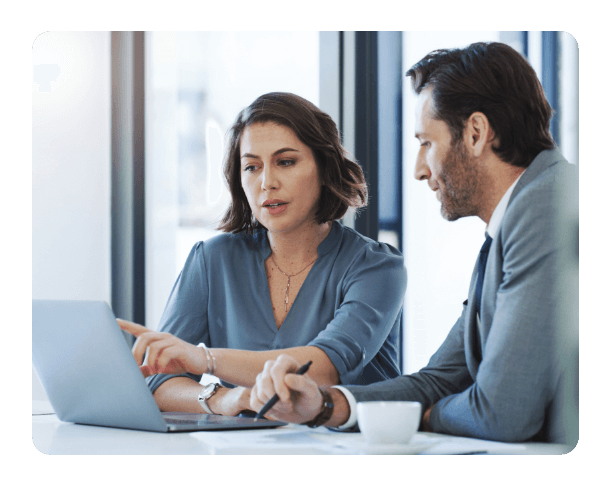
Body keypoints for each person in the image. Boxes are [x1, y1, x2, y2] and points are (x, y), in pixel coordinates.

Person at [249, 42, 577, 443]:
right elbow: (438, 380)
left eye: (427, 143)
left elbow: (501, 413)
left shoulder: (546, 207)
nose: (420, 170)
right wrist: (325, 405)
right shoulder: (513, 224)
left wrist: (429, 415)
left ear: (476, 133)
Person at [118, 92, 407, 418]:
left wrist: (204, 360)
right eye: (252, 167)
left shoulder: (377, 267)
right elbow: (159, 382)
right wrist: (224, 399)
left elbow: (323, 369)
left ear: (324, 168)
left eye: (286, 162)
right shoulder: (212, 260)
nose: (267, 182)